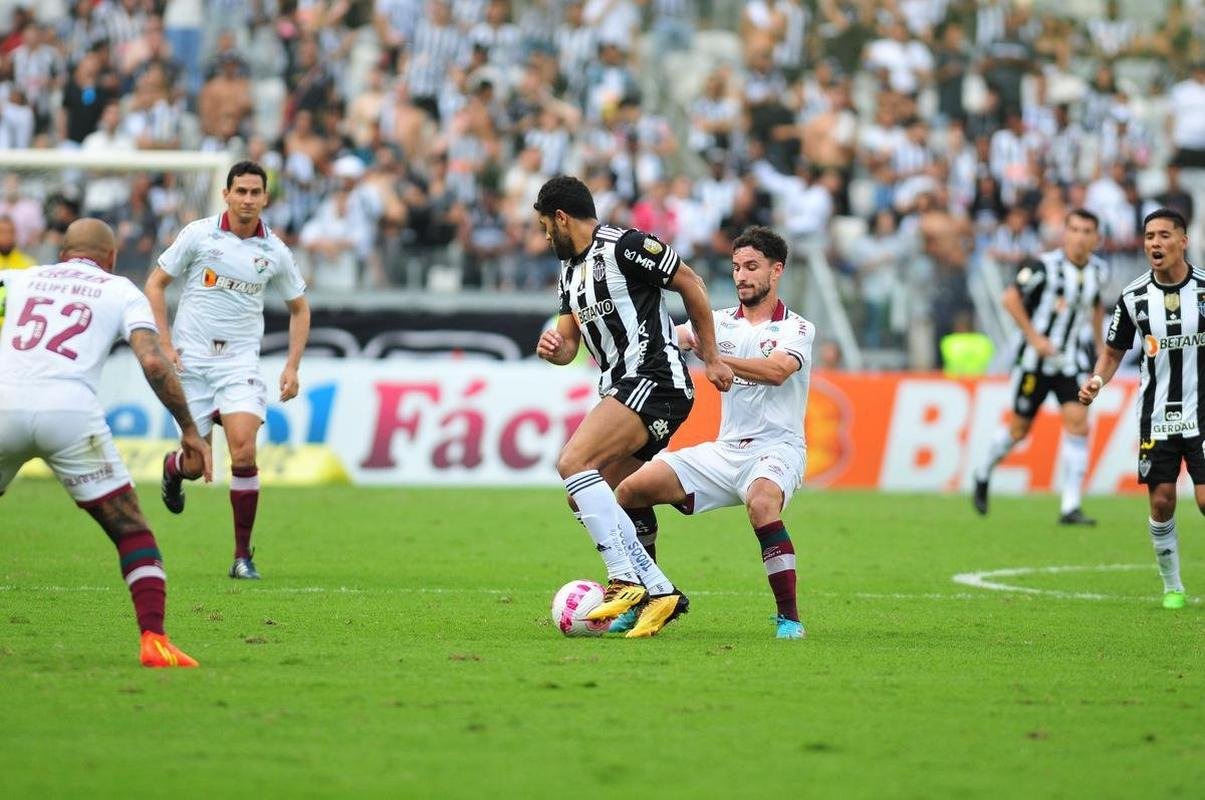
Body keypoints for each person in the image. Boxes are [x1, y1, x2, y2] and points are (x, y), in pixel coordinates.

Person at [0, 219, 213, 667]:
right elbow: (154, 363)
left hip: (3, 404)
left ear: (61, 254)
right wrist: (190, 432)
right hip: (70, 411)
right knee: (131, 530)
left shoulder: (20, 277)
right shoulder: (119, 290)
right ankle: (153, 640)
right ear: (111, 259)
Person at [534, 175, 734, 638]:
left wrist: (713, 355)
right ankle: (659, 590)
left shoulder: (626, 245)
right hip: (623, 387)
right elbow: (568, 345)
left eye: (547, 226)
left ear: (562, 218)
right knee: (582, 491)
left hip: (654, 379)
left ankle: (624, 580)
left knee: (572, 461)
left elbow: (692, 283)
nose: (546, 237)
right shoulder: (569, 272)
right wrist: (554, 349)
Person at [612, 227, 813, 640]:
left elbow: (777, 371)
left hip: (778, 448)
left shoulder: (797, 328)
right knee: (630, 491)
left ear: (777, 271)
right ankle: (648, 595)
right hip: (726, 452)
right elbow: (663, 335)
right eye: (736, 267)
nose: (741, 276)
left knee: (761, 502)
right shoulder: (716, 321)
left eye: (752, 267)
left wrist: (716, 356)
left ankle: (789, 618)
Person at [145, 161, 310, 580]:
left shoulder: (274, 250)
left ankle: (241, 557)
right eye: (241, 192)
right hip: (192, 361)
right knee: (197, 465)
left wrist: (292, 365)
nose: (248, 200)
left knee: (243, 450)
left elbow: (300, 308)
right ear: (227, 194)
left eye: (256, 193)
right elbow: (155, 284)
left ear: (266, 198)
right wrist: (164, 343)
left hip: (239, 362)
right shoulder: (199, 234)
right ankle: (174, 468)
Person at [1079, 208, 1201, 610]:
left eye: (1164, 235)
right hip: (1157, 419)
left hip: (1203, 415)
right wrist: (1098, 380)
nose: (1155, 243)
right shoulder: (1133, 297)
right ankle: (1173, 587)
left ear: (1183, 241)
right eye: (1149, 236)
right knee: (1162, 501)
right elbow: (1113, 352)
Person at [973, 209, 1106, 524]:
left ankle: (1070, 506)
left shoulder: (1099, 270)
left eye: (1087, 231)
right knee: (1018, 430)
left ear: (1096, 238)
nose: (1080, 236)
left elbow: (1097, 304)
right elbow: (1010, 298)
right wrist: (1034, 338)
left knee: (1078, 424)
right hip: (1034, 364)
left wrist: (1102, 345)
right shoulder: (1044, 266)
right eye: (1074, 229)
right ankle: (983, 470)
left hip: (1070, 362)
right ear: (1065, 233)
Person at [0, 215, 36, 329]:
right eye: (2, 231)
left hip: (14, 329)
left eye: (10, 232)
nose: (6, 236)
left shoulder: (29, 265)